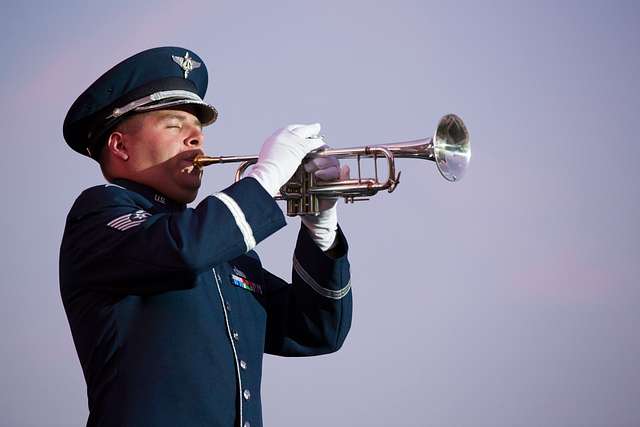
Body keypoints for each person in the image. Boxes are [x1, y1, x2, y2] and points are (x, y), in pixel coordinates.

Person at [60, 46, 352, 427]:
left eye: (198, 132)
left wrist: (321, 226)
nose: (196, 140)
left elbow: (317, 331)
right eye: (174, 126)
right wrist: (264, 179)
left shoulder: (223, 250)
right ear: (120, 146)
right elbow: (185, 250)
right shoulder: (99, 213)